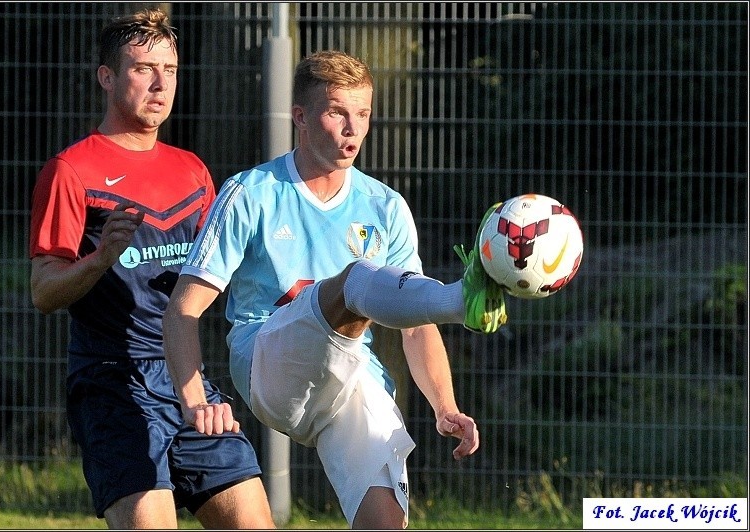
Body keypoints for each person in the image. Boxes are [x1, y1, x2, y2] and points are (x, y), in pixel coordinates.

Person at [162, 50, 507, 529]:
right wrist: (196, 400)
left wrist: (445, 407)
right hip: (270, 364)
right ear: (300, 117)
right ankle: (460, 298)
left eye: (363, 114)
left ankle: (457, 298)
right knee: (355, 280)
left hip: (353, 379)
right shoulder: (251, 192)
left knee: (385, 523)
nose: (354, 129)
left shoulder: (384, 205)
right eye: (337, 112)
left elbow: (414, 327)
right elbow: (183, 309)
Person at [28, 8, 275, 529]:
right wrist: (98, 261)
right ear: (108, 76)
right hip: (112, 382)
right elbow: (44, 292)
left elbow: (221, 276)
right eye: (144, 68)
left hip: (187, 378)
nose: (161, 83)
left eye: (171, 69)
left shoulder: (193, 171)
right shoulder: (72, 170)